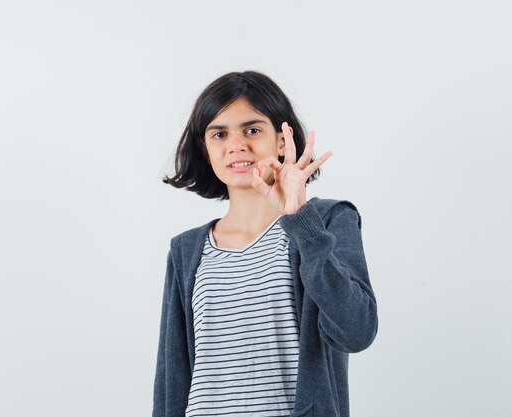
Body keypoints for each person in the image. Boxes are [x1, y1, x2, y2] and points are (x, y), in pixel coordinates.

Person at [152, 70, 379, 417]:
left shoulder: (327, 221)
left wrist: (299, 218)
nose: (236, 145)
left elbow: (356, 332)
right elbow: (173, 379)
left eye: (252, 130)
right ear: (206, 147)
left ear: (282, 141)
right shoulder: (186, 251)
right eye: (219, 133)